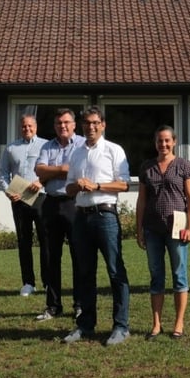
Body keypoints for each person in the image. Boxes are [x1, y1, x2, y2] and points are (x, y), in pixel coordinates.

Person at [62, 106, 131, 346]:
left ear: (102, 125)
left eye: (94, 123)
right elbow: (68, 188)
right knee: (84, 273)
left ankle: (121, 326)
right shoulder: (76, 153)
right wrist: (77, 186)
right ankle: (85, 325)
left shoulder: (114, 150)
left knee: (115, 271)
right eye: (86, 123)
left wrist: (97, 186)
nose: (90, 127)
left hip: (105, 216)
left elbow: (124, 185)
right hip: (81, 216)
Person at [135, 126, 190, 339]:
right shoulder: (147, 167)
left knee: (179, 275)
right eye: (160, 141)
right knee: (156, 276)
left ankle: (179, 323)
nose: (163, 145)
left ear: (174, 142)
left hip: (177, 229)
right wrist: (138, 229)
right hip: (152, 229)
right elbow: (141, 200)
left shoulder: (183, 166)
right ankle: (156, 324)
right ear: (155, 143)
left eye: (167, 140)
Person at [33, 108, 85, 322]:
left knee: (79, 256)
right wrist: (64, 168)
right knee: (50, 256)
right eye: (58, 123)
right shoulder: (47, 145)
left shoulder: (82, 144)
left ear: (74, 124)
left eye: (66, 122)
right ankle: (53, 305)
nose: (62, 126)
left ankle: (80, 304)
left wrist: (52, 170)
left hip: (75, 204)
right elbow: (39, 171)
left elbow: (80, 170)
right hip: (51, 203)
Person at [1, 113, 47, 297]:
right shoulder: (11, 148)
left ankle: (47, 281)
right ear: (20, 128)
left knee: (46, 241)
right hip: (19, 199)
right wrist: (8, 191)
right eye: (23, 126)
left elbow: (50, 170)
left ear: (35, 127)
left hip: (41, 198)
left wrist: (41, 181)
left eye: (30, 126)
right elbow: (3, 174)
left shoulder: (46, 145)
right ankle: (28, 282)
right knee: (23, 241)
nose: (27, 129)